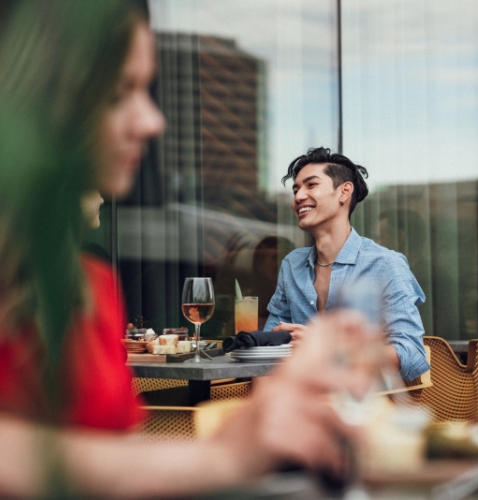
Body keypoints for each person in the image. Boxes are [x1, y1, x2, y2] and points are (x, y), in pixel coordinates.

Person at [0, 1, 371, 496]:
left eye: (146, 91)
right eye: (117, 94)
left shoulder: (90, 288)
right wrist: (234, 442)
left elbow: (120, 465)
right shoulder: (291, 266)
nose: (152, 121)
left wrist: (251, 427)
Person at [264, 147, 429, 382]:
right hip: (302, 399)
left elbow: (411, 354)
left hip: (363, 404)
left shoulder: (385, 264)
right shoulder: (292, 265)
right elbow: (271, 339)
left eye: (311, 185)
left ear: (344, 192)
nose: (299, 197)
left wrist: (329, 347)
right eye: (296, 189)